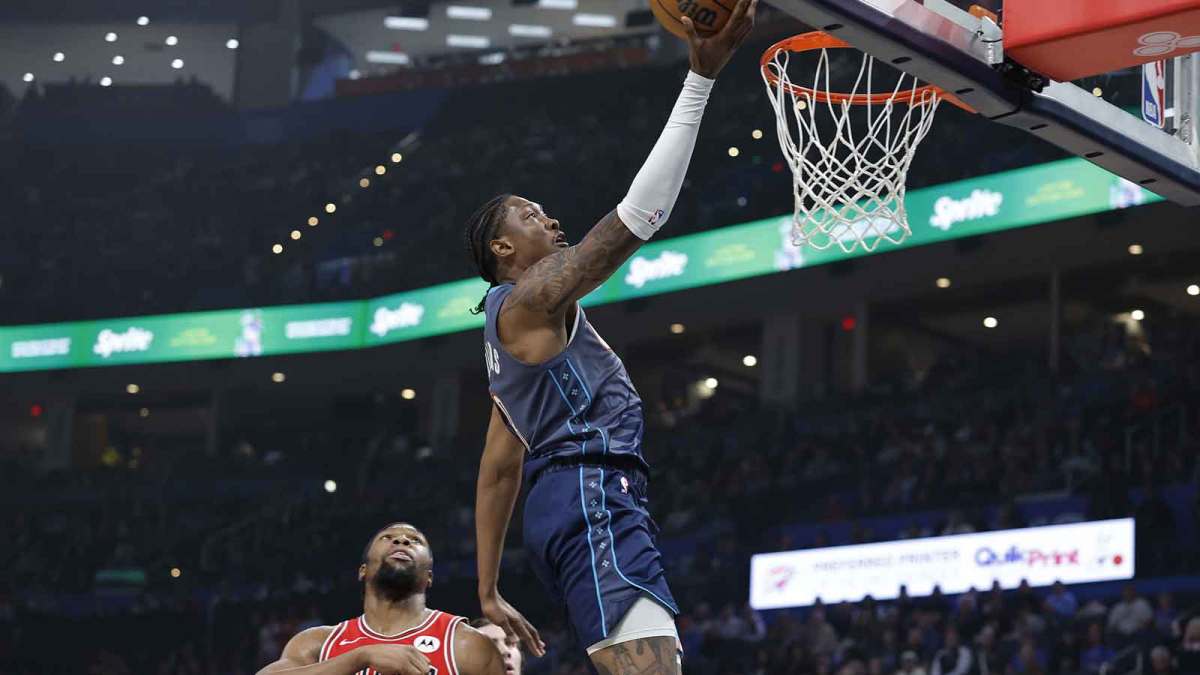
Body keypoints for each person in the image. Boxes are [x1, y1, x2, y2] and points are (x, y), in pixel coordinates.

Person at [462, 2, 757, 674]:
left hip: (572, 501)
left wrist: (487, 587)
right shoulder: (529, 298)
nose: (552, 218)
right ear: (504, 246)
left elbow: (498, 467)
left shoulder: (506, 338)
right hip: (592, 494)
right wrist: (700, 80)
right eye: (533, 215)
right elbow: (634, 220)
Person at [257, 523, 504, 675]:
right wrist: (360, 658)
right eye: (388, 538)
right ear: (362, 570)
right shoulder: (319, 643)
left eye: (415, 541)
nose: (402, 540)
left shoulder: (465, 644)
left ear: (429, 577)